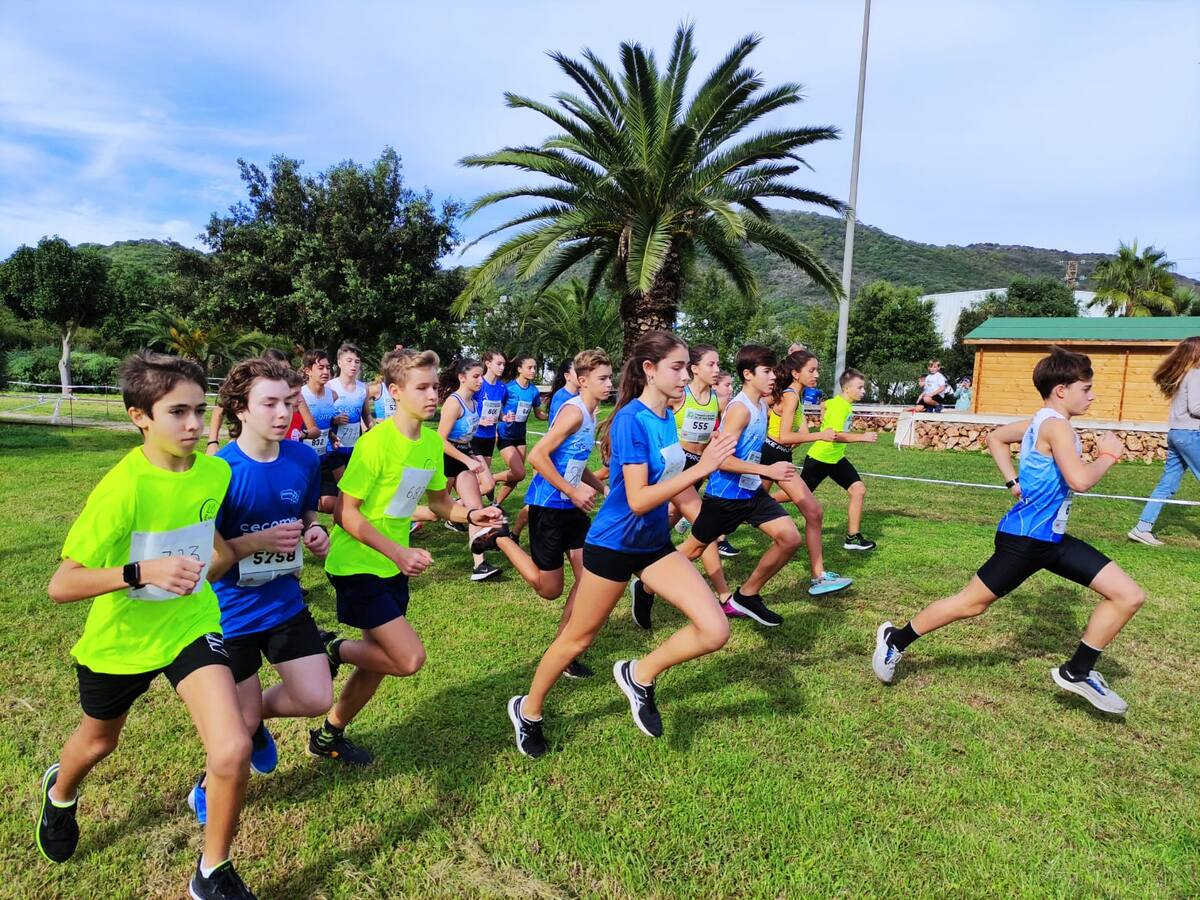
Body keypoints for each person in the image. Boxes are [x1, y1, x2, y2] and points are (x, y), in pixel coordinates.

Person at [39, 351, 256, 900]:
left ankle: (213, 872)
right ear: (140, 416)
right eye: (176, 412)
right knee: (96, 743)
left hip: (189, 623)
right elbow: (62, 584)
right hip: (122, 642)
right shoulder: (122, 488)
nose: (190, 424)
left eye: (197, 411)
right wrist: (142, 571)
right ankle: (60, 795)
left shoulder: (216, 470)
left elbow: (210, 547)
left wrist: (232, 557)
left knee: (231, 747)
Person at [873, 347, 1146, 715]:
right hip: (1024, 541)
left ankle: (1078, 672)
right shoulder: (1057, 426)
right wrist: (1108, 456)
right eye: (1086, 388)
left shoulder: (1040, 421)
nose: (1092, 395)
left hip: (1051, 539)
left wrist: (1012, 481)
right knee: (971, 604)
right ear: (1062, 390)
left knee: (1127, 595)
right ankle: (895, 639)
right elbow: (1080, 480)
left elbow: (996, 438)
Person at [506, 331, 737, 758]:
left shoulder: (667, 415)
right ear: (650, 370)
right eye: (678, 367)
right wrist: (702, 466)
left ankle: (640, 674)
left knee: (714, 629)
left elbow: (669, 484)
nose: (686, 375)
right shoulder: (632, 418)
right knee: (577, 640)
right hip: (613, 545)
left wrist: (709, 517)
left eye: (688, 366)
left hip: (653, 544)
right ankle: (528, 710)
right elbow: (638, 498)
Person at [315, 349, 504, 764]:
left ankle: (329, 734)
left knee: (378, 663)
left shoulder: (429, 445)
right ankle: (331, 648)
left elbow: (439, 503)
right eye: (422, 387)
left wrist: (472, 513)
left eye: (435, 386)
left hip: (391, 565)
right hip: (357, 563)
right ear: (395, 392)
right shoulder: (374, 444)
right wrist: (399, 551)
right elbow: (346, 514)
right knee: (407, 658)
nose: (433, 394)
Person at [188, 358, 333, 825]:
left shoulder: (304, 459)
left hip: (284, 605)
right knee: (241, 720)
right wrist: (253, 542)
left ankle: (251, 721)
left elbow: (308, 516)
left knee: (316, 699)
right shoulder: (216, 473)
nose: (281, 413)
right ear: (240, 410)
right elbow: (201, 568)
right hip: (229, 615)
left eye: (288, 403)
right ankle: (208, 786)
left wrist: (316, 534)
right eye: (268, 403)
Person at [472, 349, 614, 678]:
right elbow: (537, 456)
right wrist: (572, 490)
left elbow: (576, 464)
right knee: (549, 590)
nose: (609, 383)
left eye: (610, 377)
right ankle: (503, 539)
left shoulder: (592, 413)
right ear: (582, 381)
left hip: (572, 509)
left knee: (587, 578)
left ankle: (564, 650)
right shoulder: (574, 413)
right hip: (548, 506)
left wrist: (602, 487)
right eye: (602, 378)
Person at [669, 345, 810, 626]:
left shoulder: (761, 406)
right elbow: (721, 461)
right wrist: (766, 469)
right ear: (748, 374)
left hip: (751, 492)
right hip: (724, 496)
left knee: (790, 538)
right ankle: (647, 585)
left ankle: (746, 596)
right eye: (767, 371)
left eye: (773, 371)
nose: (773, 377)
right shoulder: (740, 410)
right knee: (694, 550)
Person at [633, 345, 733, 629]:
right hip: (678, 468)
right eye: (711, 365)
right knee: (706, 527)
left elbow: (709, 430)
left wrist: (714, 438)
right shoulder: (680, 396)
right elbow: (653, 418)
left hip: (698, 469)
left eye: (718, 365)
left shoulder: (714, 398)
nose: (716, 370)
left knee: (661, 525)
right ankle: (724, 594)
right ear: (695, 368)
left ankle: (642, 574)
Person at [760, 349, 853, 597]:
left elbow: (790, 433)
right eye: (811, 370)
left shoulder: (794, 396)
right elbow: (784, 436)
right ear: (795, 373)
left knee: (743, 506)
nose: (817, 374)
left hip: (777, 455)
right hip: (774, 455)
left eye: (817, 369)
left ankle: (819, 574)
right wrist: (819, 435)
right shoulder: (790, 396)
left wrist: (803, 434)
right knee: (814, 511)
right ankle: (818, 576)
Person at [1129, 335, 1200, 546]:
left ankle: (1142, 528)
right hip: (1191, 435)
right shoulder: (1196, 374)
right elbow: (1196, 408)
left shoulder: (1183, 375)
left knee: (1166, 485)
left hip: (1177, 434)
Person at [801, 367, 879, 551]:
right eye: (860, 387)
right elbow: (834, 435)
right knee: (793, 495)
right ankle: (756, 505)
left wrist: (823, 407)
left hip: (836, 459)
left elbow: (826, 403)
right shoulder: (840, 406)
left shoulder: (840, 403)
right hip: (820, 458)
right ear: (846, 389)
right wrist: (863, 437)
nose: (864, 391)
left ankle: (852, 537)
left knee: (858, 490)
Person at [438, 358, 501, 581]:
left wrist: (471, 457)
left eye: (481, 376)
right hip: (446, 459)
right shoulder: (453, 403)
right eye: (475, 376)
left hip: (464, 457)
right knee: (434, 510)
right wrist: (467, 459)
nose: (480, 380)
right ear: (462, 378)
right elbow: (440, 441)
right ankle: (407, 520)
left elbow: (465, 438)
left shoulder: (474, 402)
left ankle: (480, 565)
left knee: (476, 507)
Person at [494, 354, 547, 508]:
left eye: (535, 368)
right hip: (505, 435)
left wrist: (555, 416)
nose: (533, 371)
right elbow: (497, 410)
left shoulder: (534, 391)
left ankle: (496, 504)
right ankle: (492, 478)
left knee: (516, 476)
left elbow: (538, 414)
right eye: (529, 367)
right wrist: (496, 430)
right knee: (519, 472)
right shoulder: (508, 388)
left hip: (520, 437)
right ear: (519, 369)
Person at [299, 349, 342, 515]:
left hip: (324, 456)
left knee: (331, 503)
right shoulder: (300, 395)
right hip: (302, 458)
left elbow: (326, 423)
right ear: (308, 371)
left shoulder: (333, 395)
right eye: (320, 368)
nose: (326, 372)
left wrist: (331, 435)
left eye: (328, 367)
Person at [329, 342, 372, 467]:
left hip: (355, 446)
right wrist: (333, 420)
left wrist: (374, 429)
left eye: (357, 361)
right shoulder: (330, 387)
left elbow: (367, 414)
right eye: (349, 361)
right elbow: (319, 417)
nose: (353, 365)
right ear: (339, 363)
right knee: (340, 484)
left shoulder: (363, 388)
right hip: (334, 446)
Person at [471, 350, 508, 486]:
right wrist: (479, 421)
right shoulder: (478, 385)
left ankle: (466, 504)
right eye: (499, 364)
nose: (502, 367)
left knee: (482, 480)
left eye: (504, 364)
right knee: (481, 478)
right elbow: (466, 408)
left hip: (490, 437)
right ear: (488, 364)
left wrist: (505, 417)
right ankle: (464, 504)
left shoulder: (502, 388)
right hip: (474, 435)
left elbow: (498, 411)